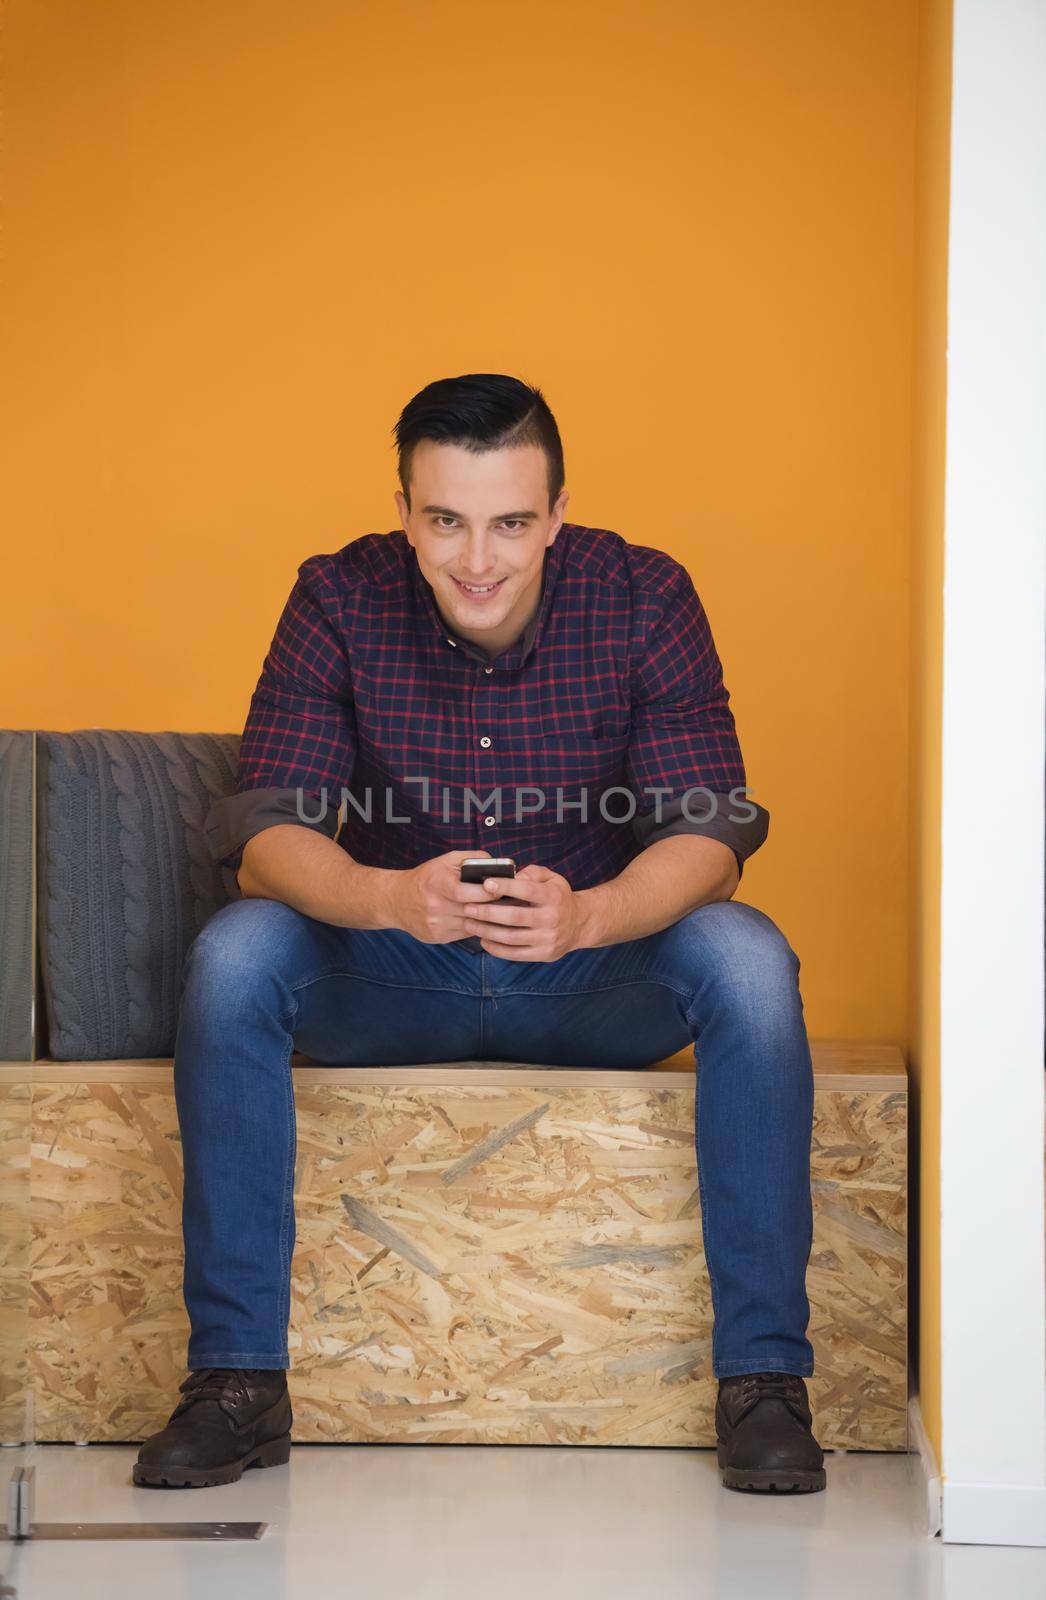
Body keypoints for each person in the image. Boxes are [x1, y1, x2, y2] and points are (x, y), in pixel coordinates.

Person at [133, 373, 825, 1495]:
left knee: (745, 955)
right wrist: (390, 897)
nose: (477, 559)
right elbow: (264, 833)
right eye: (444, 520)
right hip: (393, 969)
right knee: (237, 952)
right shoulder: (335, 595)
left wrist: (589, 914)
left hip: (593, 974)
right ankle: (235, 1383)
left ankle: (762, 1383)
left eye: (510, 521)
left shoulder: (645, 595)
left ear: (555, 514)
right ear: (405, 511)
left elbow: (709, 833)